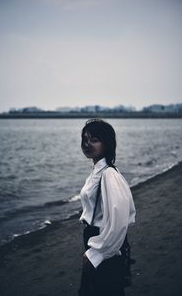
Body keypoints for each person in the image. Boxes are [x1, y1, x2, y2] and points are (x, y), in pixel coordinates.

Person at [78, 118, 136, 296]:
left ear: (107, 143)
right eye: (85, 139)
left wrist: (96, 254)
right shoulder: (97, 171)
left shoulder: (109, 174)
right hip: (95, 239)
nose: (88, 144)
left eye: (94, 140)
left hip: (102, 242)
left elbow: (119, 222)